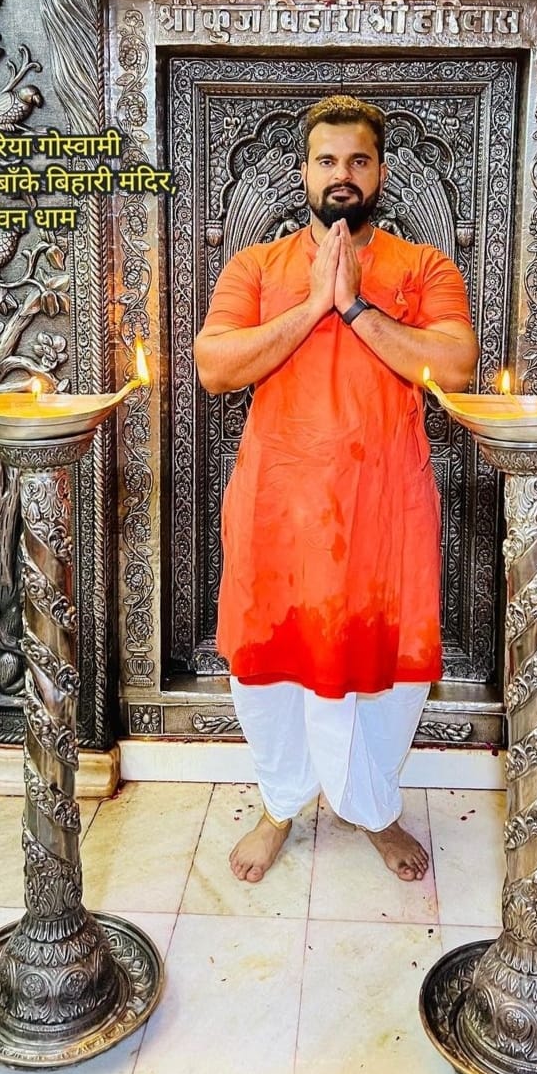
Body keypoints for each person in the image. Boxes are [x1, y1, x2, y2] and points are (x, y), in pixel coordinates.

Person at [194, 96, 479, 884]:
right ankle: (281, 803)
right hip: (279, 507)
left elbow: (455, 365)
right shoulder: (257, 266)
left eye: (358, 160)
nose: (342, 174)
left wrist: (354, 306)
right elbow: (215, 365)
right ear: (304, 173)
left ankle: (372, 807)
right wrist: (312, 305)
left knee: (388, 665)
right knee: (269, 663)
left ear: (380, 172)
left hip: (383, 509)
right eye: (327, 160)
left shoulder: (422, 266)